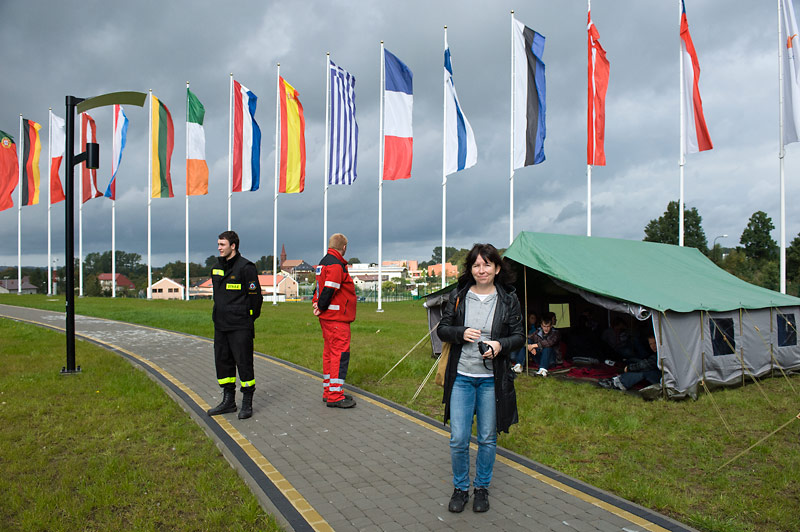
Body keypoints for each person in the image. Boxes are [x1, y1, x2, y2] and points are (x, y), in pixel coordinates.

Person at [437, 243, 524, 513]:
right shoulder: (459, 295)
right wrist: (460, 332)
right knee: (458, 438)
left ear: (497, 268)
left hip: (491, 381)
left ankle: (482, 488)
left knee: (487, 438)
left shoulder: (508, 299)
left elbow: (519, 336)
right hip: (462, 378)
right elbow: (442, 329)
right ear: (470, 269)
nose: (481, 270)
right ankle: (460, 488)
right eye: (476, 265)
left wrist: (500, 345)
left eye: (487, 264)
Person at [207, 230, 263, 420]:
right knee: (223, 363)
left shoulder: (246, 268)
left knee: (244, 364)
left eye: (222, 244)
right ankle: (228, 401)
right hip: (221, 325)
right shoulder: (216, 268)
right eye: (218, 244)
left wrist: (248, 318)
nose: (219, 248)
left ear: (233, 246)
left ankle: (247, 402)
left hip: (240, 326)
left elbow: (256, 298)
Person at [313, 233, 357, 408]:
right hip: (337, 318)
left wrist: (317, 305)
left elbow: (319, 287)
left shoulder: (323, 263)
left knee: (330, 353)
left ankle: (329, 390)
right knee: (340, 354)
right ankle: (335, 395)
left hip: (327, 317)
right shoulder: (336, 265)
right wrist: (321, 306)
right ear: (344, 247)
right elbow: (330, 289)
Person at [527, 312, 560, 377]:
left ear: (551, 326)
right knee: (527, 341)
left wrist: (534, 345)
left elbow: (549, 343)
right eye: (544, 326)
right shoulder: (537, 332)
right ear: (541, 326)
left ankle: (543, 370)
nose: (546, 328)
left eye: (548, 326)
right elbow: (527, 338)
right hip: (539, 357)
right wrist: (530, 346)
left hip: (551, 359)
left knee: (548, 347)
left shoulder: (555, 333)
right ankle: (519, 365)